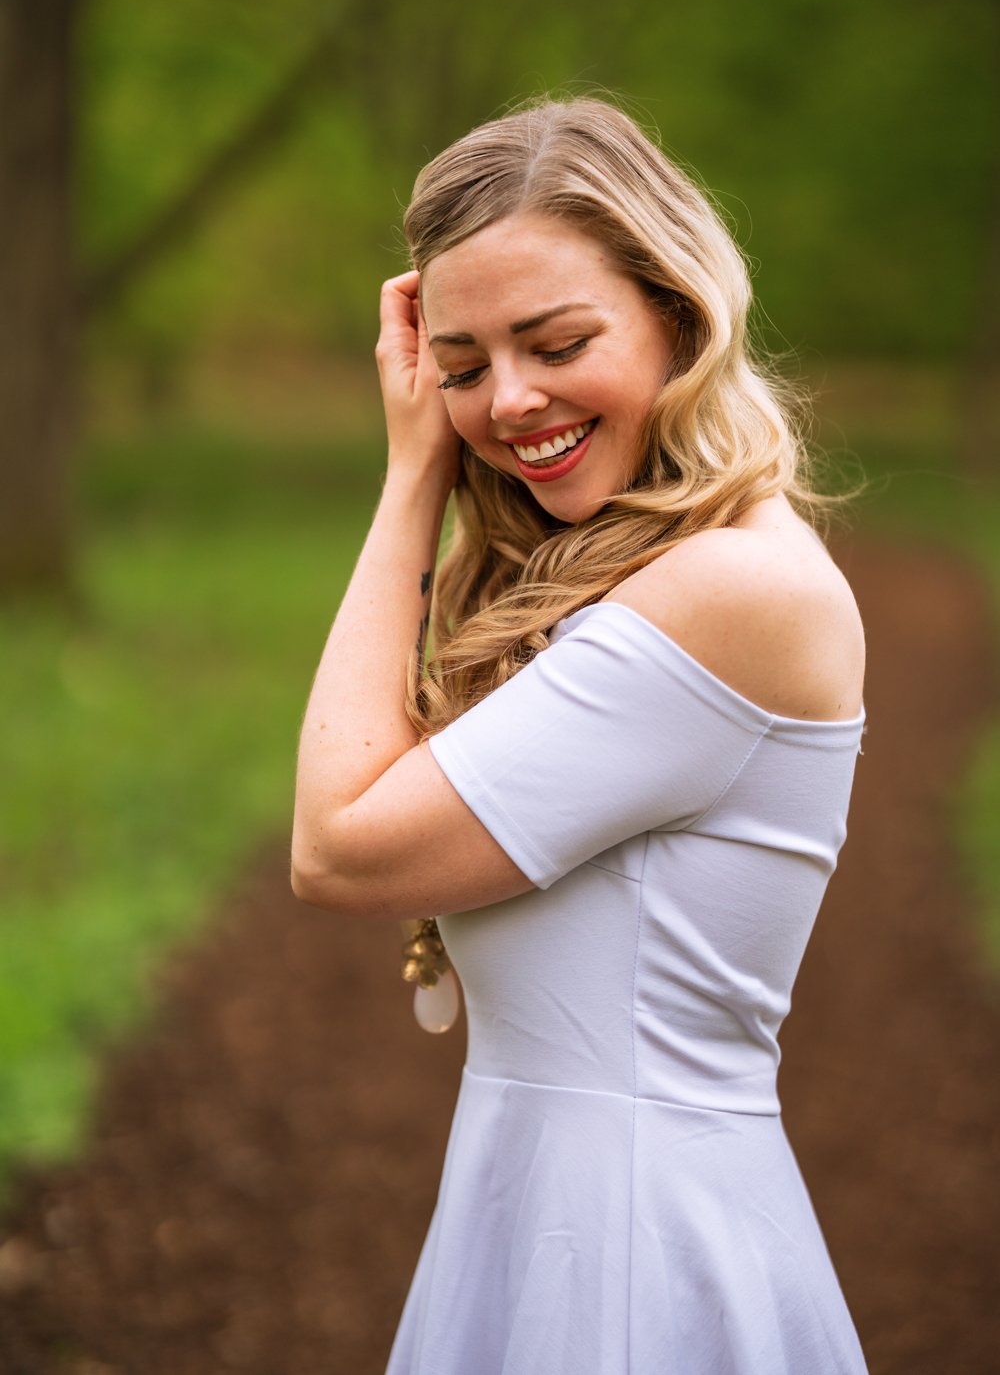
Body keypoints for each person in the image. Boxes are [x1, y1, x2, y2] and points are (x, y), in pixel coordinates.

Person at [291, 96, 869, 1374]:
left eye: (556, 341)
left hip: (628, 1254)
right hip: (541, 1205)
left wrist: (408, 482)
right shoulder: (642, 571)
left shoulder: (733, 592)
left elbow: (340, 845)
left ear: (675, 309)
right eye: (459, 369)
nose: (507, 402)